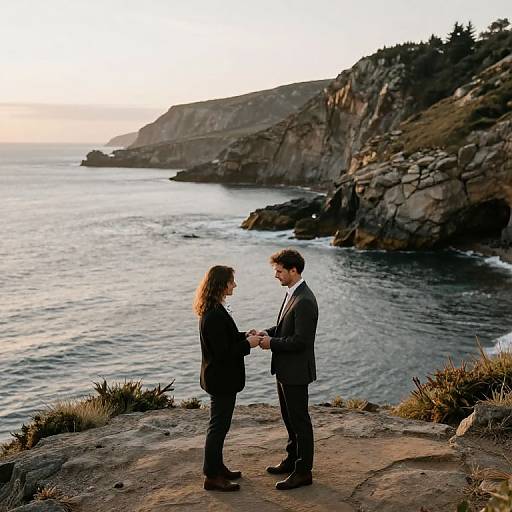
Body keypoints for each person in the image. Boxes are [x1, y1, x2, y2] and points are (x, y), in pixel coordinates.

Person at [194, 265, 261, 492]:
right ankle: (211, 476)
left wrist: (244, 335)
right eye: (232, 281)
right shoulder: (213, 314)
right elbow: (222, 353)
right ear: (222, 284)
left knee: (220, 426)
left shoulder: (215, 309)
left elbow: (225, 339)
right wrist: (247, 345)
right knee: (218, 427)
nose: (235, 285)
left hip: (220, 378)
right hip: (220, 379)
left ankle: (217, 466)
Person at [258, 249, 318, 490]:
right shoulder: (293, 293)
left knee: (300, 421)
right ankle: (292, 459)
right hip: (285, 369)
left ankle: (303, 471)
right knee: (289, 419)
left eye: (279, 271)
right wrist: (267, 333)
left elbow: (301, 341)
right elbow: (285, 328)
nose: (276, 275)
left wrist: (271, 344)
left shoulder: (305, 300)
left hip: (296, 372)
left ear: (294, 270)